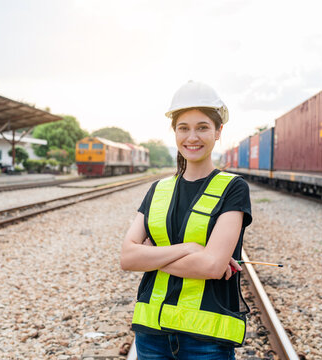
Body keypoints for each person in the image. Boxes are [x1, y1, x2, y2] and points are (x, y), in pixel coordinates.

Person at [120, 81, 252, 360]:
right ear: (175, 132)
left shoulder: (233, 188)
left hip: (206, 339)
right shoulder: (158, 189)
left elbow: (212, 265)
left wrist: (151, 256)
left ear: (218, 132)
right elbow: (127, 258)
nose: (192, 137)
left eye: (202, 127)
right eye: (184, 128)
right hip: (151, 333)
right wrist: (189, 248)